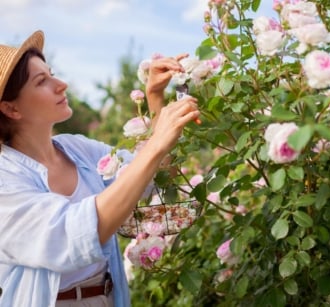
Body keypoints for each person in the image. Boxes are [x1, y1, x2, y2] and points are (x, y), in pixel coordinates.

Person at [0, 30, 200, 307]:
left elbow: (150, 177)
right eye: (41, 81)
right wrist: (156, 144)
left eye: (52, 73)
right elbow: (72, 235)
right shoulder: (5, 180)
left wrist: (154, 97)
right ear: (12, 109)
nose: (62, 85)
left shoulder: (77, 149)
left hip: (106, 297)